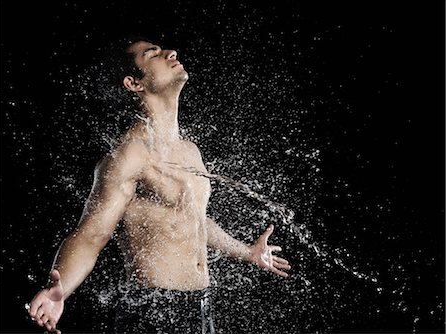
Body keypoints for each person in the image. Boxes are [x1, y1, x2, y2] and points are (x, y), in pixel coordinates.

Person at [27, 35, 291, 334]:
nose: (170, 52)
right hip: (155, 311)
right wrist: (59, 290)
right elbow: (92, 234)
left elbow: (192, 220)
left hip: (200, 307)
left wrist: (247, 252)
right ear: (134, 83)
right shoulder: (131, 154)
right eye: (153, 54)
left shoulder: (190, 151)